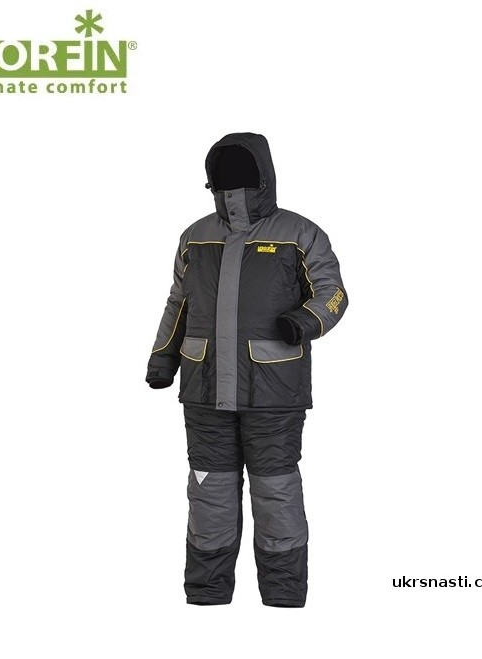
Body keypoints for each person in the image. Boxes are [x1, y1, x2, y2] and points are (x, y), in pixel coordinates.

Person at [146, 132, 348, 607]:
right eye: (222, 173)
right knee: (209, 493)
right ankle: (207, 592)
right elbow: (179, 302)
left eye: (240, 171)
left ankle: (283, 593)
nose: (230, 182)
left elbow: (333, 294)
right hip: (204, 389)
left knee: (276, 493)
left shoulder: (300, 233)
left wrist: (304, 321)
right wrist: (162, 357)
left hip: (273, 390)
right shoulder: (195, 236)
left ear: (263, 176)